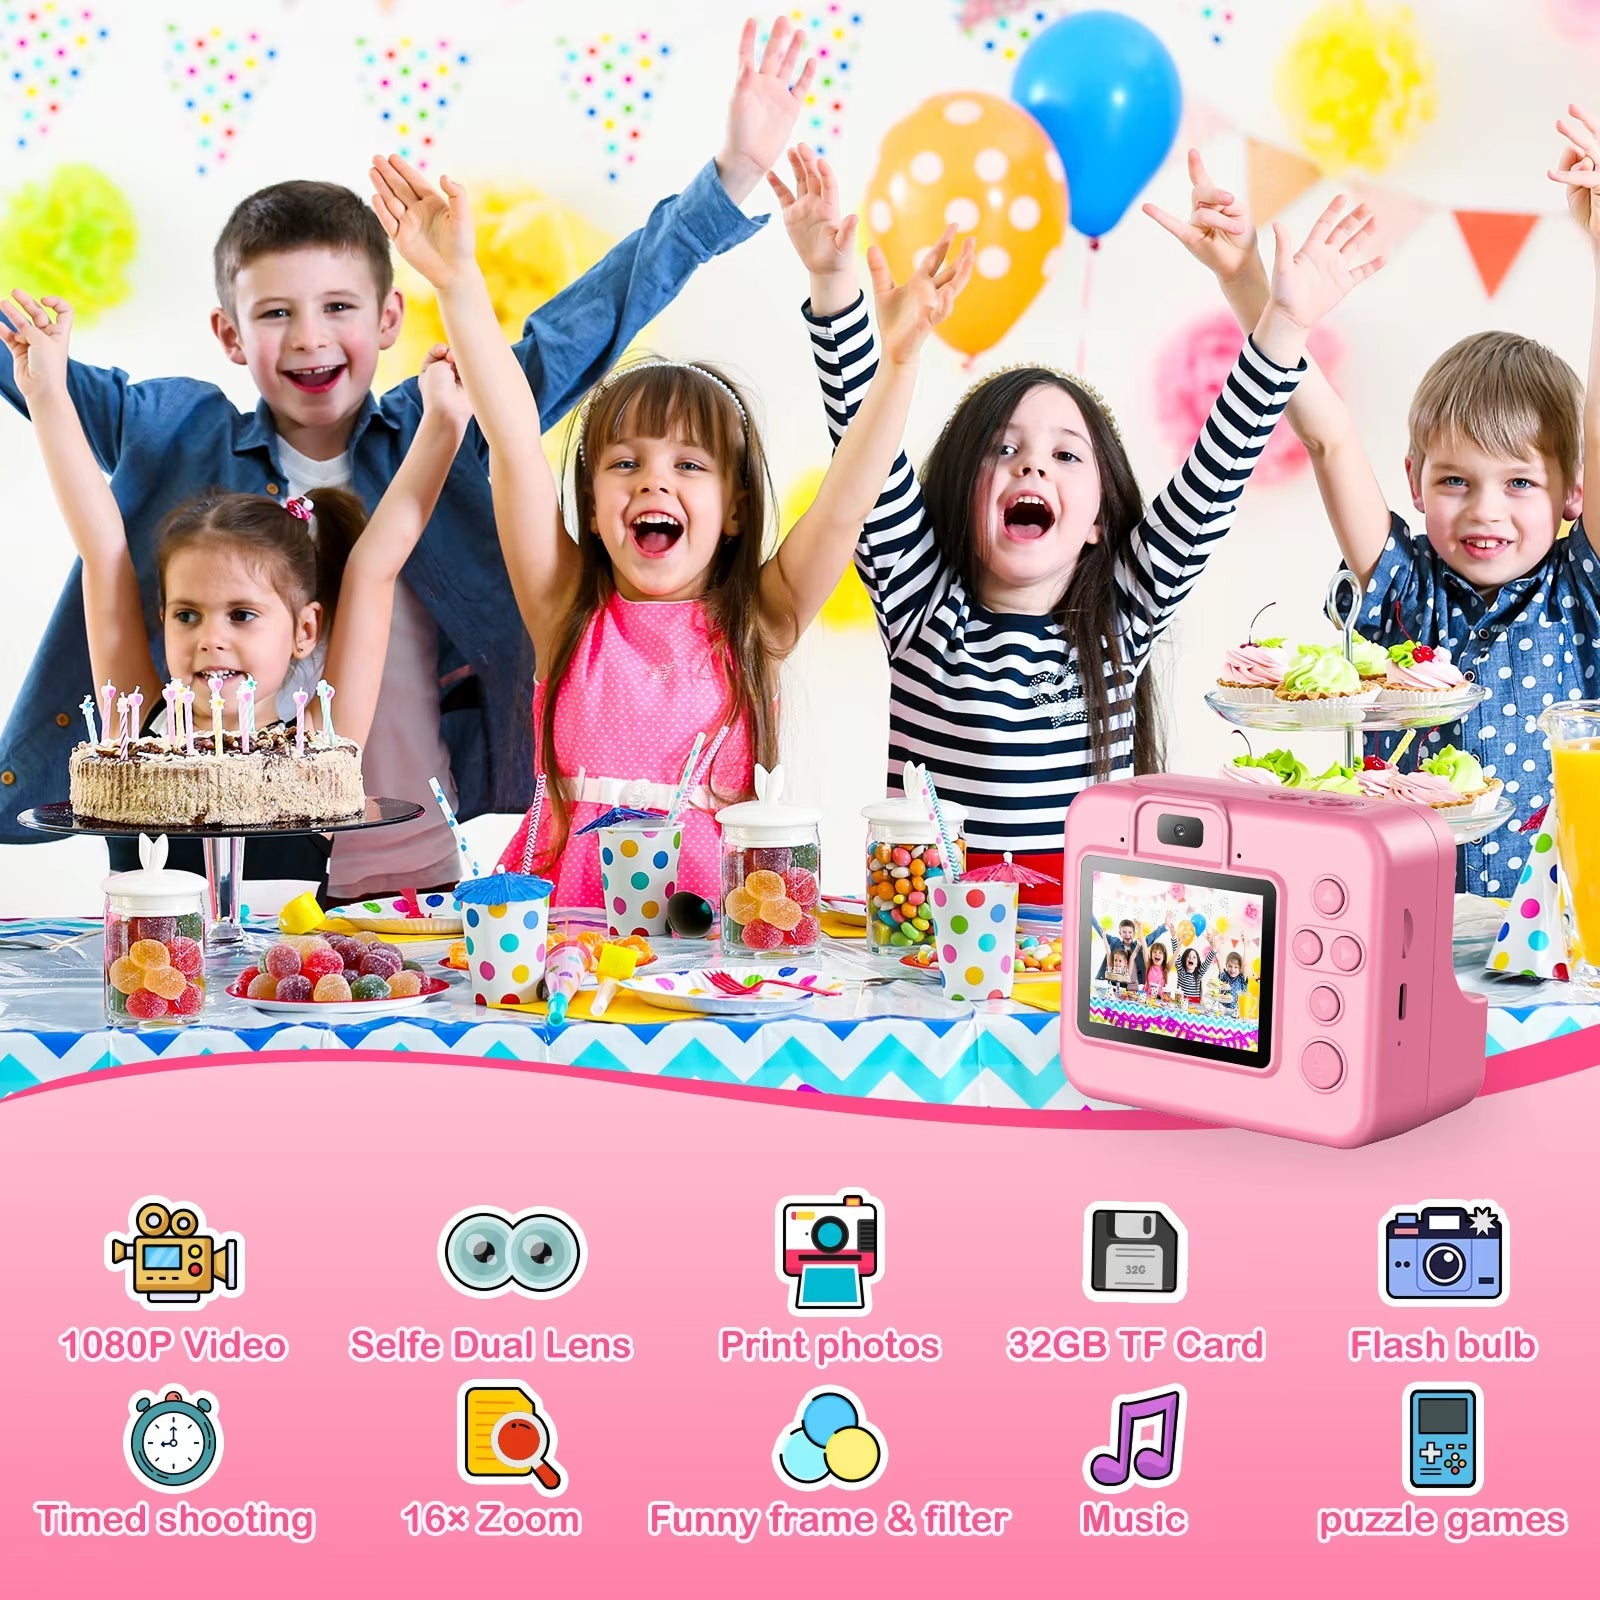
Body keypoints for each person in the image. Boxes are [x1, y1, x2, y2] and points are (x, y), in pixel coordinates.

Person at [0, 15, 817, 901]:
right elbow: (35, 375)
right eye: (275, 314)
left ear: (389, 321)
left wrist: (732, 178)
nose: (311, 337)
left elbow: (586, 321)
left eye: (340, 306)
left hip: (405, 860)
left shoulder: (451, 418)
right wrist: (41, 379)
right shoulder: (173, 431)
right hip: (195, 867)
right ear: (228, 334)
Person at [777, 146, 1384, 901]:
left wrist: (1285, 319)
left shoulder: (1121, 617)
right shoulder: (919, 603)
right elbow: (860, 447)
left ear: (1099, 520)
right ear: (963, 494)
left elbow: (1219, 464)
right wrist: (834, 288)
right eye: (1003, 450)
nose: (1031, 468)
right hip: (927, 956)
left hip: (1081, 969)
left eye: (1067, 456)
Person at [369, 152, 971, 904]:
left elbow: (850, 497)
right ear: (590, 506)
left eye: (690, 466)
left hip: (720, 955)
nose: (654, 481)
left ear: (737, 509)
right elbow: (516, 444)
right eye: (625, 464)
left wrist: (902, 362)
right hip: (567, 950)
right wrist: (458, 284)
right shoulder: (565, 612)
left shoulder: (763, 620)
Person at [1148, 125, 1600, 897]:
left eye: (1519, 483)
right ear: (1415, 483)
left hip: (1560, 941)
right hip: (1398, 927)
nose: (1484, 510)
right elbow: (1326, 436)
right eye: (1456, 481)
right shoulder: (1404, 587)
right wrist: (1247, 284)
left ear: (1572, 492)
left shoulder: (1577, 590)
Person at [0, 289, 470, 885]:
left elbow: (375, 565)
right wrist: (45, 390)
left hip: (276, 978)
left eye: (242, 615)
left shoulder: (321, 750)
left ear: (304, 631)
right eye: (188, 616)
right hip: (153, 978)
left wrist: (445, 424)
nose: (211, 639)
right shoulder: (133, 738)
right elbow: (102, 551)